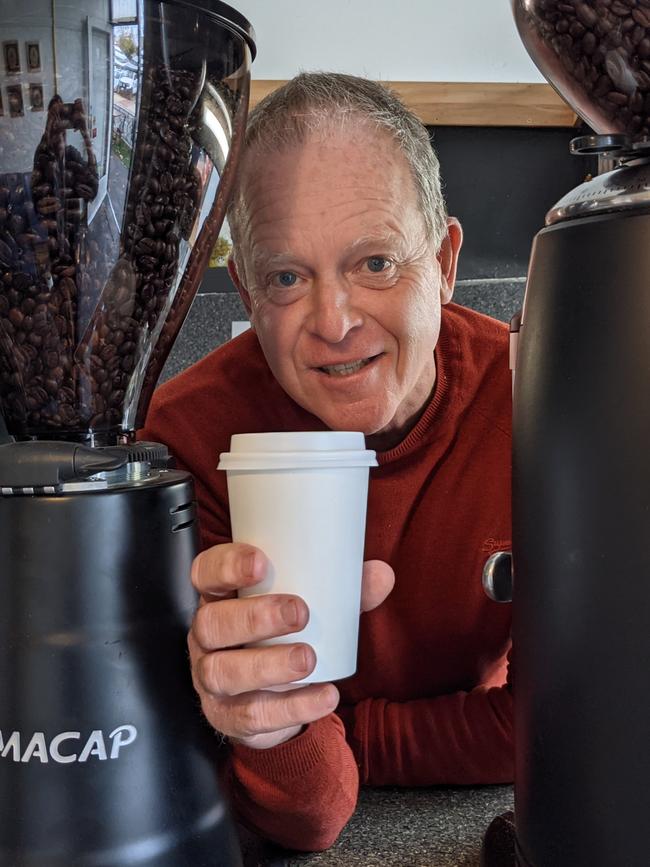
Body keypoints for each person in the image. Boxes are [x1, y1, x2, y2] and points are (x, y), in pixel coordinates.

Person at [141, 72, 512, 852]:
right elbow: (306, 811)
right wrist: (279, 731)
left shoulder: (534, 401)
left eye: (376, 262)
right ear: (244, 289)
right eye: (286, 277)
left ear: (444, 263)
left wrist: (352, 732)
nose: (335, 323)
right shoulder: (185, 437)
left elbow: (561, 725)